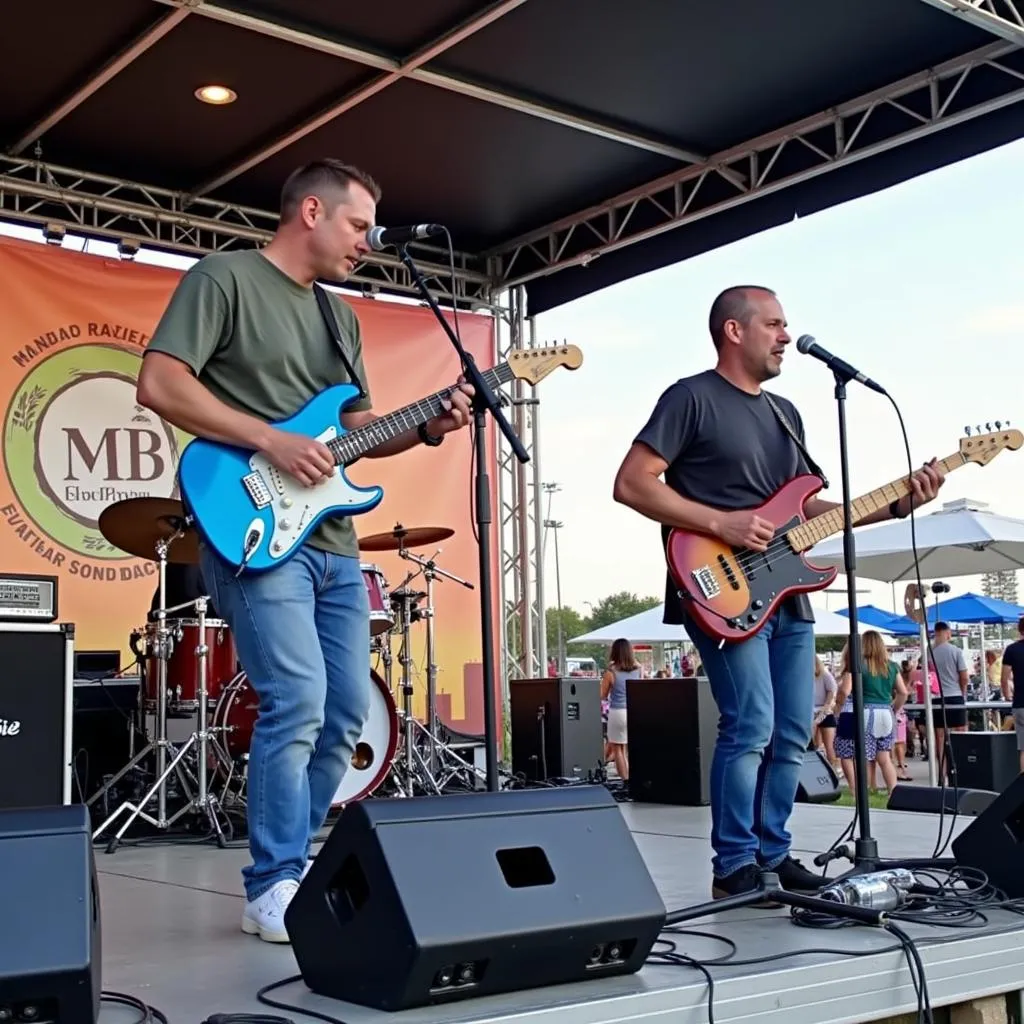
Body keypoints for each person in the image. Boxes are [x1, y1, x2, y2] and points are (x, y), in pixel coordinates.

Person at [136, 159, 474, 943]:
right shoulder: (224, 279)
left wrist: (428, 424)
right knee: (296, 699)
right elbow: (158, 383)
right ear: (312, 212)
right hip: (253, 527)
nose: (367, 243)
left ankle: (300, 868)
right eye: (359, 226)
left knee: (347, 710)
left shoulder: (340, 320)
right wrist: (268, 440)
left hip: (333, 541)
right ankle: (272, 882)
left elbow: (355, 438)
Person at [612, 285, 945, 899]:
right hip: (719, 585)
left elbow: (808, 507)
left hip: (787, 593)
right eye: (775, 324)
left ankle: (775, 852)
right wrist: (720, 522)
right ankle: (732, 865)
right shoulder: (691, 398)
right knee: (751, 724)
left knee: (793, 727)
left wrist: (898, 502)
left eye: (786, 325)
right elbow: (632, 483)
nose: (787, 336)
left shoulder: (785, 413)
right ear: (734, 331)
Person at [600, 638, 640, 781]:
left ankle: (626, 780)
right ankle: (632, 777)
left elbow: (602, 695)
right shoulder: (638, 670)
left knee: (618, 749)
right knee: (627, 748)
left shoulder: (611, 672)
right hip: (634, 711)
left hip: (617, 712)